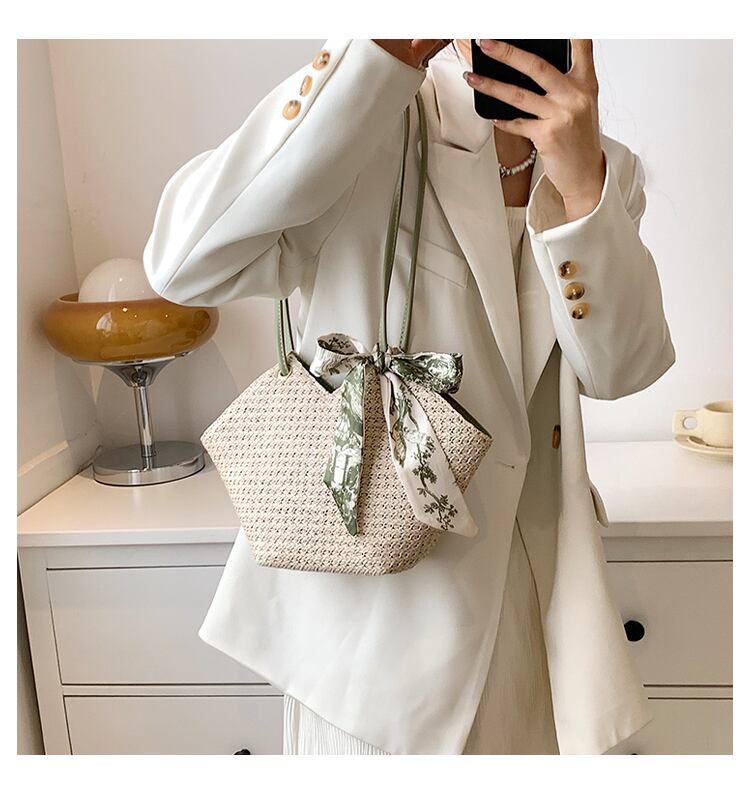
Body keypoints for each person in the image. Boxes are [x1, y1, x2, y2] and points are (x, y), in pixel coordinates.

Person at [143, 38, 675, 755]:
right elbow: (181, 264)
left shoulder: (603, 167)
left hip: (534, 622)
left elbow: (621, 371)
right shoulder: (365, 115)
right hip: (373, 647)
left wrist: (582, 189)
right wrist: (378, 51)